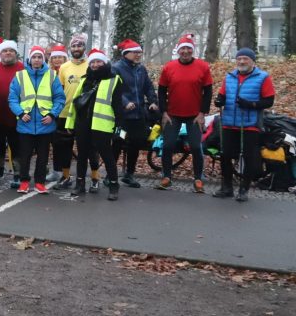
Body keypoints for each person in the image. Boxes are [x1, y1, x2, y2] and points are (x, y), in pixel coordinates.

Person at [213, 48, 275, 201]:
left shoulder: (263, 77)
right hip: (228, 122)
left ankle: (244, 189)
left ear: (252, 61)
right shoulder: (229, 77)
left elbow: (269, 101)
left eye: (245, 59)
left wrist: (251, 104)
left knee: (248, 157)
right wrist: (219, 101)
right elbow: (222, 95)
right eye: (239, 59)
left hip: (250, 123)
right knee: (225, 155)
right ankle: (227, 187)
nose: (241, 62)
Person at [66, 49, 124, 201]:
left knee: (107, 156)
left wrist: (120, 128)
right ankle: (79, 185)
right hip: (83, 123)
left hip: (102, 125)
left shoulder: (114, 79)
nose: (96, 64)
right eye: (93, 62)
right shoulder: (85, 79)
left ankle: (113, 186)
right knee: (82, 156)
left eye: (99, 61)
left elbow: (118, 106)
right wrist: (70, 123)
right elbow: (75, 104)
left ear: (105, 63)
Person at [157, 34, 213, 192]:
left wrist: (202, 113)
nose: (186, 51)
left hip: (194, 115)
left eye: (189, 48)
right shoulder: (169, 67)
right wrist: (164, 112)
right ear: (178, 51)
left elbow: (208, 92)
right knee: (167, 145)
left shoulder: (203, 67)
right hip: (172, 114)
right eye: (183, 49)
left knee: (195, 146)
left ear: (193, 50)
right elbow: (161, 91)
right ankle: (166, 177)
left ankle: (198, 179)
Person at [8, 45, 65, 194]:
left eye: (39, 57)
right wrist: (20, 113)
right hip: (25, 123)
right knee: (24, 156)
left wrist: (52, 115)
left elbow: (60, 98)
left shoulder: (52, 75)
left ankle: (40, 182)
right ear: (30, 59)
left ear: (44, 59)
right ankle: (24, 181)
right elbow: (12, 98)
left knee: (43, 156)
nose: (37, 60)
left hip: (45, 124)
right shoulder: (20, 76)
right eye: (34, 57)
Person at [111, 39, 158, 188]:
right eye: (135, 52)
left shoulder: (141, 69)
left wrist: (152, 101)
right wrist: (125, 102)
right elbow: (113, 89)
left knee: (136, 143)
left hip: (138, 116)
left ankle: (129, 175)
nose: (138, 55)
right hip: (123, 117)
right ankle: (110, 176)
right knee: (118, 141)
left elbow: (148, 87)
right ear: (126, 54)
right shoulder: (116, 68)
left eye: (139, 52)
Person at [55, 35, 92, 189]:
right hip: (65, 113)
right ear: (70, 49)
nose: (77, 49)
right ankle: (65, 176)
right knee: (65, 148)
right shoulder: (64, 67)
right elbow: (59, 89)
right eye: (74, 46)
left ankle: (86, 178)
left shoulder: (91, 65)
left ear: (84, 47)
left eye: (80, 46)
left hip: (84, 114)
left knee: (85, 148)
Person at [0, 39, 25, 187]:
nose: (8, 53)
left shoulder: (23, 69)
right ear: (0, 53)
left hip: (17, 116)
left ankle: (18, 174)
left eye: (11, 51)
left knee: (17, 146)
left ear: (16, 53)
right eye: (5, 51)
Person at [44, 44, 68, 182]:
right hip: (50, 112)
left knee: (62, 144)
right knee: (52, 142)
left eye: (60, 57)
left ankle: (62, 171)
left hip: (65, 112)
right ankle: (54, 170)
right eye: (55, 57)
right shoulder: (47, 72)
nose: (57, 60)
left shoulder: (69, 71)